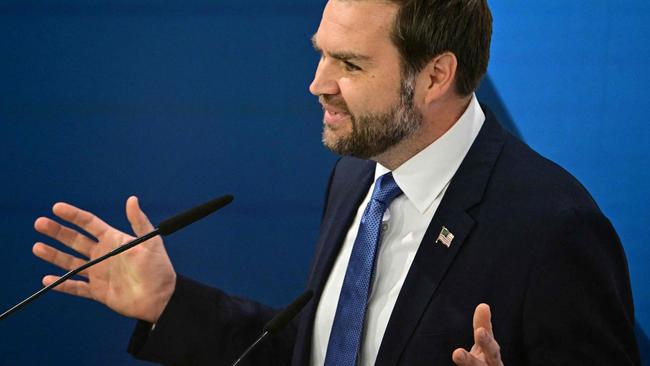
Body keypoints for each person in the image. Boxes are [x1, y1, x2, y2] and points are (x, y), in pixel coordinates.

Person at [32, 0, 640, 365]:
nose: (317, 83)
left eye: (349, 64)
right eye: (323, 54)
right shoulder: (356, 176)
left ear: (434, 77)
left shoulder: (554, 231)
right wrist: (170, 304)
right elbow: (324, 351)